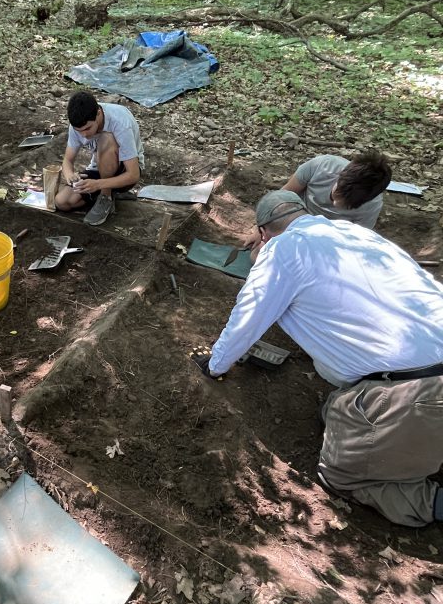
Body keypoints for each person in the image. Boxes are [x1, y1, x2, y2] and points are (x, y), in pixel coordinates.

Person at [194, 190, 443, 528]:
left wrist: (215, 365)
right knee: (337, 409)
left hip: (417, 390)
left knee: (341, 475)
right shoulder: (357, 233)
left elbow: (247, 317)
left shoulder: (283, 250)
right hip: (421, 376)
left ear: (264, 234)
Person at [244, 152, 392, 260]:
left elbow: (356, 241)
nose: (335, 205)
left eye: (346, 206)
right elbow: (283, 197)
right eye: (335, 196)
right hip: (294, 225)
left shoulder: (372, 206)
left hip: (329, 241)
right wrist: (261, 229)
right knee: (258, 255)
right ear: (340, 176)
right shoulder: (321, 166)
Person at [54, 91, 144, 226]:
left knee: (106, 138)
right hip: (99, 169)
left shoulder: (120, 122)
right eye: (79, 131)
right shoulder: (78, 124)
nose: (84, 135)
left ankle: (106, 195)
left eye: (88, 128)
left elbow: (133, 175)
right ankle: (112, 192)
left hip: (125, 170)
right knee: (63, 202)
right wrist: (70, 177)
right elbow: (67, 161)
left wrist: (97, 184)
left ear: (98, 113)